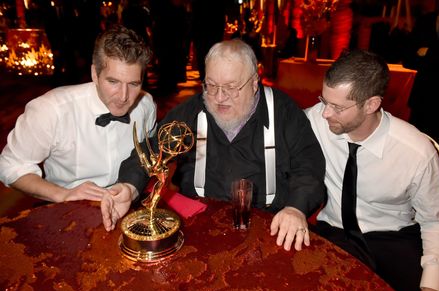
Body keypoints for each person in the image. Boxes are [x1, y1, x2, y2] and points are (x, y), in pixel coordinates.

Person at [101, 39, 326, 252]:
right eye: (211, 85)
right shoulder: (192, 110)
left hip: (267, 225)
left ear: (255, 83)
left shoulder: (283, 112)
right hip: (198, 225)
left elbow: (309, 166)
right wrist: (129, 187)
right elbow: (150, 151)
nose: (219, 97)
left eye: (230, 87)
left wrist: (296, 208)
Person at [305, 49, 439, 291]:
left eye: (337, 107)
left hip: (393, 239)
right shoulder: (316, 120)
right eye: (324, 101)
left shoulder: (415, 152)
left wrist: (433, 285)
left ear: (372, 104)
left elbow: (437, 221)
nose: (325, 113)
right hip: (333, 232)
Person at [0, 25, 157, 203]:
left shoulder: (146, 105)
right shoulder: (51, 110)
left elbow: (148, 152)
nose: (123, 96)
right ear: (94, 74)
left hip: (130, 201)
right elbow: (9, 165)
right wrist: (62, 194)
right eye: (113, 81)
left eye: (134, 84)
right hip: (67, 207)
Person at [403, 0, 439, 151]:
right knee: (411, 151)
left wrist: (428, 53)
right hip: (421, 100)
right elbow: (408, 59)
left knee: (436, 155)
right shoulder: (426, 20)